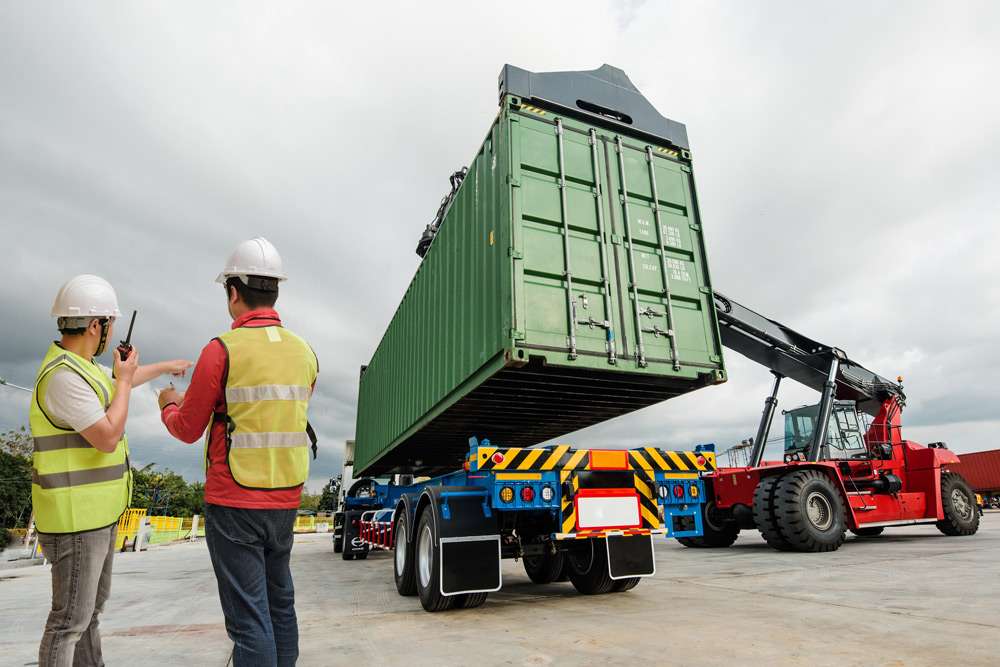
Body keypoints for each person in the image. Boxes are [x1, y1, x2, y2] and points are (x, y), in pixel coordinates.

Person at [158, 238, 318, 667]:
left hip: (234, 504)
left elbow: (188, 429)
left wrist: (167, 404)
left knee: (249, 621)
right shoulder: (306, 353)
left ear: (233, 291)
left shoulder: (221, 350)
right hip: (285, 500)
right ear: (275, 291)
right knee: (280, 606)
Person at [30, 274, 191, 667]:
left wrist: (165, 366)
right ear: (95, 326)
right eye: (111, 324)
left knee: (88, 616)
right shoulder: (64, 378)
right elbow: (106, 435)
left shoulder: (82, 368)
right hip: (75, 520)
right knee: (69, 622)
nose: (113, 332)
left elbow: (125, 381)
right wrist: (122, 381)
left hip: (96, 516)